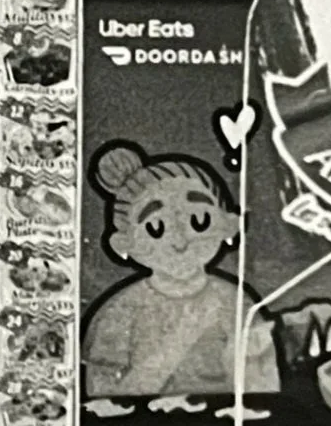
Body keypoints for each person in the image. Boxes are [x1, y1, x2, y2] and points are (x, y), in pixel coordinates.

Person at [82, 139, 279, 401]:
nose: (180, 241)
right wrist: (182, 337)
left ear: (227, 224)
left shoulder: (236, 302)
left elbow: (262, 388)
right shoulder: (121, 311)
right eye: (156, 228)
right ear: (124, 244)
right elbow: (102, 397)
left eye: (199, 220)